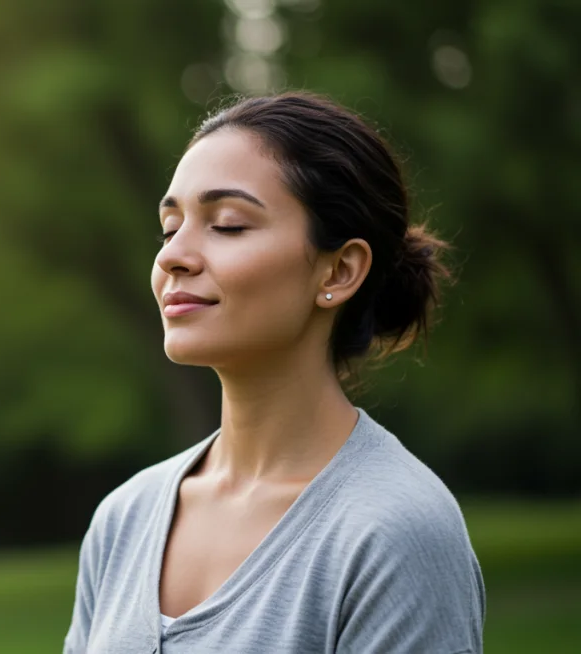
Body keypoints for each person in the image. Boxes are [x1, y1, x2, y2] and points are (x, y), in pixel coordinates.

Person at [63, 92, 485, 653]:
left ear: (339, 269)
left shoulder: (393, 532)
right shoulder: (124, 519)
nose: (173, 257)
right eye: (169, 228)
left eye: (229, 225)